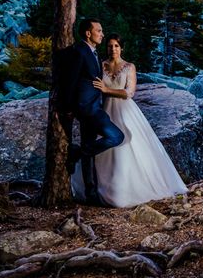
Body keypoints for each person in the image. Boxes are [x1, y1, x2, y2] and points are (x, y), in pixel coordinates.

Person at [71, 33, 187, 207]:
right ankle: (101, 190)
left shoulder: (129, 67)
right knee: (106, 148)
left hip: (125, 109)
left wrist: (106, 89)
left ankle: (128, 190)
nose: (113, 49)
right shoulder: (100, 65)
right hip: (104, 109)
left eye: (116, 46)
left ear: (121, 48)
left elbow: (129, 92)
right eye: (110, 46)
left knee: (129, 146)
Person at [61, 18, 125, 206]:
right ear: (88, 33)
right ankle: (77, 153)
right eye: (99, 30)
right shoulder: (79, 51)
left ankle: (91, 193)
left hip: (93, 106)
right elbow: (70, 82)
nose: (102, 34)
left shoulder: (92, 52)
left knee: (89, 148)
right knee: (116, 136)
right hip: (87, 108)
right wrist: (69, 108)